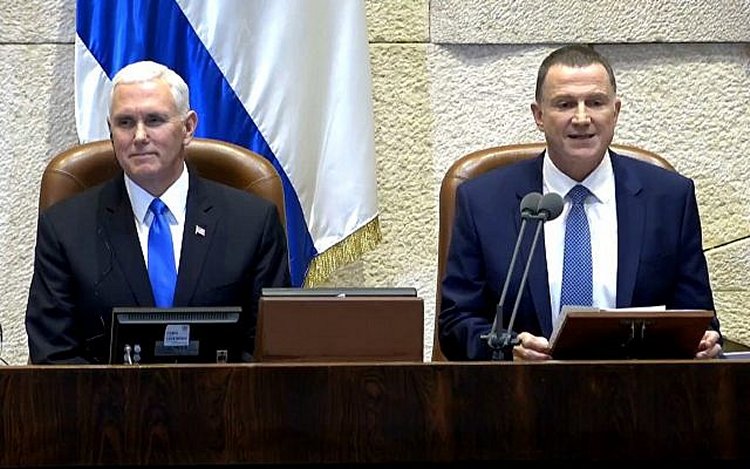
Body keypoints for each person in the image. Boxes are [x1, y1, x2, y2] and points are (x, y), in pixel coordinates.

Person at [438, 44, 722, 361]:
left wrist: (705, 341)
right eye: (565, 104)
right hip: (522, 396)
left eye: (596, 103)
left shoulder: (669, 199)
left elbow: (699, 317)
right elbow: (455, 324)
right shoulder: (483, 202)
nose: (582, 118)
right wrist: (509, 348)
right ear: (539, 115)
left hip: (638, 398)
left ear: (615, 112)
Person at [26, 60, 290, 364]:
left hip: (226, 406)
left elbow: (269, 351)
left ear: (188, 127)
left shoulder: (253, 223)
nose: (139, 136)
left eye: (154, 120)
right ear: (111, 131)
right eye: (125, 123)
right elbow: (53, 356)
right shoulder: (65, 229)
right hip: (102, 409)